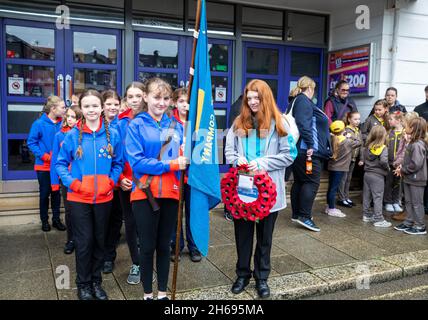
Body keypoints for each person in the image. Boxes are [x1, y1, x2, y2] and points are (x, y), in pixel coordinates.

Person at [225, 79, 296, 299]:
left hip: (268, 193)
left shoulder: (280, 122)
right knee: (242, 235)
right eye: (249, 98)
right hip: (243, 192)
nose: (253, 102)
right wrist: (239, 161)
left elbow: (289, 155)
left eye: (257, 97)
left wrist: (262, 163)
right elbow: (229, 153)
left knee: (265, 238)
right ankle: (242, 275)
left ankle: (262, 278)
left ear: (265, 98)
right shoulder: (239, 122)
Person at [56, 89, 123, 300]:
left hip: (104, 197)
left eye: (95, 105)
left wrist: (111, 182)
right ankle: (83, 284)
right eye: (87, 106)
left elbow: (118, 163)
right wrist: (74, 185)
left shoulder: (113, 133)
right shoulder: (72, 135)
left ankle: (96, 282)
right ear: (81, 109)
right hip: (79, 199)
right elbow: (60, 165)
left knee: (99, 241)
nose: (91, 110)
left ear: (102, 107)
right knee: (84, 242)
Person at [126, 77, 186, 301]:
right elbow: (137, 161)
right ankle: (147, 294)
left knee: (164, 245)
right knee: (148, 245)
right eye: (157, 97)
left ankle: (162, 293)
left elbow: (183, 157)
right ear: (146, 97)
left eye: (166, 98)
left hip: (171, 191)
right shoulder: (136, 124)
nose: (161, 102)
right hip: (145, 193)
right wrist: (170, 165)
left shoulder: (177, 126)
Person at [288, 76, 331, 232]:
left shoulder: (297, 100)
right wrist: (311, 144)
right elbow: (303, 123)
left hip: (302, 149)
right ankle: (304, 216)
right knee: (312, 182)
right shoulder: (303, 101)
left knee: (300, 181)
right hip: (307, 150)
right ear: (311, 88)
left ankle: (297, 214)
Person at [114, 82, 147, 284]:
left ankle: (148, 262)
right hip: (127, 183)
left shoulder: (154, 120)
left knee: (148, 226)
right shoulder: (119, 123)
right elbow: (116, 157)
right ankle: (136, 263)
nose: (134, 100)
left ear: (145, 96)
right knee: (132, 224)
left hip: (148, 182)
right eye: (130, 96)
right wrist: (119, 179)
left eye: (138, 95)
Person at [169, 87, 202, 263]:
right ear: (175, 103)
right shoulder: (169, 123)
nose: (185, 105)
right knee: (175, 214)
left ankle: (194, 246)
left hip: (193, 176)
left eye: (188, 101)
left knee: (193, 212)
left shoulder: (197, 123)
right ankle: (175, 245)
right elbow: (165, 150)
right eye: (181, 101)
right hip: (175, 176)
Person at [28, 95, 67, 232]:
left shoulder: (64, 123)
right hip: (44, 166)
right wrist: (44, 156)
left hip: (59, 166)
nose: (65, 110)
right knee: (45, 193)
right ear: (53, 108)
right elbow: (31, 142)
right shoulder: (39, 124)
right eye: (62, 107)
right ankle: (44, 220)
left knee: (56, 193)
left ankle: (56, 219)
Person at [50, 105, 82, 254]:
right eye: (68, 116)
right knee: (69, 211)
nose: (70, 119)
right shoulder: (59, 136)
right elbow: (55, 161)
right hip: (67, 179)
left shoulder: (85, 134)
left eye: (73, 117)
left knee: (82, 213)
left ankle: (83, 238)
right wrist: (54, 183)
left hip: (83, 178)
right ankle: (71, 240)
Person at [101, 90, 124, 276]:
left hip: (117, 183)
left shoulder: (122, 125)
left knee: (115, 222)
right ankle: (97, 255)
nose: (112, 107)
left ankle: (109, 256)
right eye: (109, 103)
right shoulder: (95, 125)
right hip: (99, 184)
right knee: (101, 223)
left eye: (116, 103)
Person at [393, 117, 427, 235]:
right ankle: (409, 222)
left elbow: (416, 164)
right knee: (408, 201)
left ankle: (420, 226)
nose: (404, 127)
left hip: (416, 179)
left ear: (412, 129)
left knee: (417, 203)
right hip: (409, 177)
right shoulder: (412, 143)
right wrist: (402, 167)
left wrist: (404, 170)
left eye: (406, 125)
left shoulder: (418, 145)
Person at [326, 120, 361, 217]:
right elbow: (359, 142)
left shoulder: (331, 138)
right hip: (340, 168)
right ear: (344, 130)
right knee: (334, 188)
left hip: (332, 167)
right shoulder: (347, 141)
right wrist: (350, 135)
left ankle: (329, 206)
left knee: (331, 188)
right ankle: (332, 209)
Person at [361, 125, 391, 227]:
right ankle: (378, 219)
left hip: (367, 174)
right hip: (377, 176)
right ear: (383, 135)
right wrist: (387, 168)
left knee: (366, 195)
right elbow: (383, 161)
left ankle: (366, 215)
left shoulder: (368, 146)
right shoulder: (383, 148)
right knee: (378, 197)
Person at [337, 111, 363, 207]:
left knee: (348, 179)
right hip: (346, 158)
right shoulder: (346, 131)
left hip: (353, 158)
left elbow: (361, 145)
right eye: (355, 119)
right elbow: (349, 144)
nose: (357, 121)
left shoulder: (358, 130)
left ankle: (346, 197)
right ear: (349, 119)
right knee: (343, 179)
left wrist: (361, 158)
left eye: (359, 119)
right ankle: (341, 198)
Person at [384, 111, 404, 214]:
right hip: (389, 163)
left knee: (398, 183)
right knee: (389, 182)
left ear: (399, 120)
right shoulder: (388, 133)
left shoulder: (404, 133)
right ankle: (388, 201)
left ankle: (396, 201)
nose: (389, 121)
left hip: (400, 165)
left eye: (391, 119)